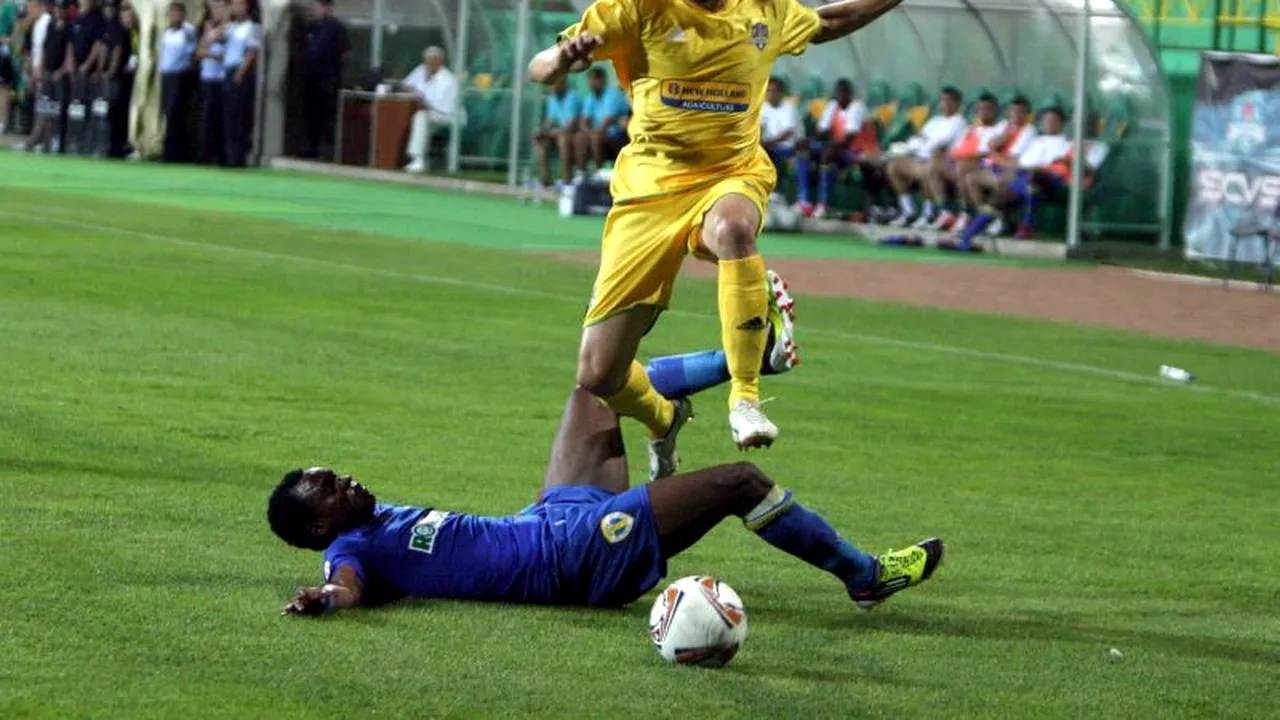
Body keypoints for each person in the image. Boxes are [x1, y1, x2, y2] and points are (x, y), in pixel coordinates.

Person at [527, 0, 907, 469]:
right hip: (649, 192)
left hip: (731, 174)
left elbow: (830, 20)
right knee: (599, 374)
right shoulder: (639, 9)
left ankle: (745, 399)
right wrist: (564, 59)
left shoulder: (765, 10)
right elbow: (540, 68)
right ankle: (664, 417)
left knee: (733, 229)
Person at [271, 388, 944, 616]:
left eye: (339, 475)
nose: (349, 482)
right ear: (322, 523)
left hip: (548, 522)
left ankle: (736, 364)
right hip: (568, 559)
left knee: (596, 385)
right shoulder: (350, 548)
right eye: (333, 488)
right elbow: (346, 589)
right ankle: (865, 577)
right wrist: (323, 599)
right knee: (739, 482)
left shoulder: (375, 516)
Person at [941, 107, 1108, 250]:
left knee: (1033, 177)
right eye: (1080, 122)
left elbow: (1088, 170)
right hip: (1042, 178)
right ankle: (967, 238)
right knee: (1002, 195)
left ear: (1096, 126)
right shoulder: (1067, 142)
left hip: (1066, 183)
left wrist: (1069, 160)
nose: (1083, 126)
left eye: (1088, 123)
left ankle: (1026, 225)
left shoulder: (1099, 146)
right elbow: (1045, 162)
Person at [949, 95, 1036, 233]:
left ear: (1027, 114)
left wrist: (996, 152)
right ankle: (982, 217)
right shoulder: (1004, 125)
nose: (1016, 115)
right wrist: (1003, 138)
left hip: (1011, 171)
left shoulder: (1029, 130)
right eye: (1013, 111)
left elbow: (1012, 159)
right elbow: (991, 144)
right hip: (993, 166)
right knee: (968, 176)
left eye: (1021, 112)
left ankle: (996, 219)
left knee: (996, 179)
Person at [884, 85, 965, 227]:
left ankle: (928, 215)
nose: (944, 104)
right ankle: (908, 211)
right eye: (942, 100)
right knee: (893, 166)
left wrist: (925, 142)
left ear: (957, 103)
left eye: (948, 101)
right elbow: (916, 139)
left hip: (943, 164)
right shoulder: (935, 121)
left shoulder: (958, 122)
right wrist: (923, 143)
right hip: (920, 158)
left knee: (930, 166)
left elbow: (940, 143)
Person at [923, 91, 1004, 231]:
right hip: (964, 165)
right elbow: (956, 149)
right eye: (980, 109)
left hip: (989, 167)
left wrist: (966, 157)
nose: (983, 112)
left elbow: (987, 152)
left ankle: (968, 213)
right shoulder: (971, 129)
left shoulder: (1001, 127)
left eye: (987, 109)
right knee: (935, 163)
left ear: (995, 110)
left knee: (962, 168)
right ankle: (945, 212)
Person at [795, 78, 872, 219]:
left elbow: (849, 139)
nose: (840, 97)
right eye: (838, 93)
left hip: (860, 152)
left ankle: (824, 205)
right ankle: (804, 201)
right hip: (840, 149)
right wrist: (808, 142)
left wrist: (829, 148)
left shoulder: (857, 107)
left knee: (828, 155)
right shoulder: (833, 106)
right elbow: (822, 131)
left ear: (850, 94)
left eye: (843, 93)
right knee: (804, 151)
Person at [300, 0, 347, 160]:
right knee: (310, 114)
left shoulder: (337, 28)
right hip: (311, 79)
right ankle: (310, 148)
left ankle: (325, 150)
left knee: (327, 116)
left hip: (328, 79)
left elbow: (344, 54)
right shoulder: (312, 26)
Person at [400, 46, 457, 173]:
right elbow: (405, 84)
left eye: (433, 61)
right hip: (429, 113)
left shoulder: (448, 79)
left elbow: (442, 107)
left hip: (447, 116)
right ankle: (412, 159)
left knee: (420, 117)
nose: (429, 64)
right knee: (420, 116)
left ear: (440, 61)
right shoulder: (421, 70)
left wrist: (424, 102)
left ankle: (418, 160)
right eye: (427, 61)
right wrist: (414, 93)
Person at [221, 0, 260, 167]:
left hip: (240, 72)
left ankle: (238, 156)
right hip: (228, 70)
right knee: (228, 115)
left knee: (239, 115)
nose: (236, 8)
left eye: (239, 4)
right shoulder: (231, 27)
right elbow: (216, 36)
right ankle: (228, 155)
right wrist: (226, 16)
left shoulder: (252, 27)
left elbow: (251, 52)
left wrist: (240, 73)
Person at [157, 1, 196, 162]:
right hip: (166, 76)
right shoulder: (166, 32)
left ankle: (176, 153)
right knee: (167, 112)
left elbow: (192, 54)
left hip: (180, 76)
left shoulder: (187, 32)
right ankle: (168, 150)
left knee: (177, 114)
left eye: (178, 13)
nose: (175, 16)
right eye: (172, 12)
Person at [575, 66, 629, 172]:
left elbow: (607, 122)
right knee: (579, 137)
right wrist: (587, 132)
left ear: (602, 80)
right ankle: (581, 174)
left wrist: (592, 133)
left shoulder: (612, 93)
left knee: (595, 138)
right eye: (589, 80)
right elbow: (584, 120)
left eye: (594, 79)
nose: (590, 83)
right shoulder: (591, 96)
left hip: (618, 136)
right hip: (599, 134)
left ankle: (597, 174)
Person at [532, 73, 581, 188]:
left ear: (564, 83)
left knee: (562, 139)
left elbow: (571, 125)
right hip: (557, 134)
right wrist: (542, 131)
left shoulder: (572, 97)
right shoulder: (552, 98)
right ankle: (545, 181)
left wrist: (552, 132)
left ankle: (566, 180)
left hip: (573, 135)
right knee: (540, 140)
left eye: (555, 83)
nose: (552, 86)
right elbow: (549, 121)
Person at [195, 0, 226, 165]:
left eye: (219, 7)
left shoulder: (228, 28)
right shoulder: (207, 27)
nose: (216, 11)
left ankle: (218, 155)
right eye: (213, 8)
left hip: (220, 78)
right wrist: (208, 39)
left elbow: (225, 56)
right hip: (206, 77)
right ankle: (204, 154)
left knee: (218, 118)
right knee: (205, 118)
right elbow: (199, 52)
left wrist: (209, 51)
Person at [758, 76, 799, 177]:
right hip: (768, 146)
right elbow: (759, 128)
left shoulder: (788, 108)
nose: (771, 94)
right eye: (768, 90)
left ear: (781, 93)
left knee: (769, 154)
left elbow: (787, 134)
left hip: (786, 148)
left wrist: (767, 143)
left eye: (774, 91)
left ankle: (775, 189)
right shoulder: (763, 108)